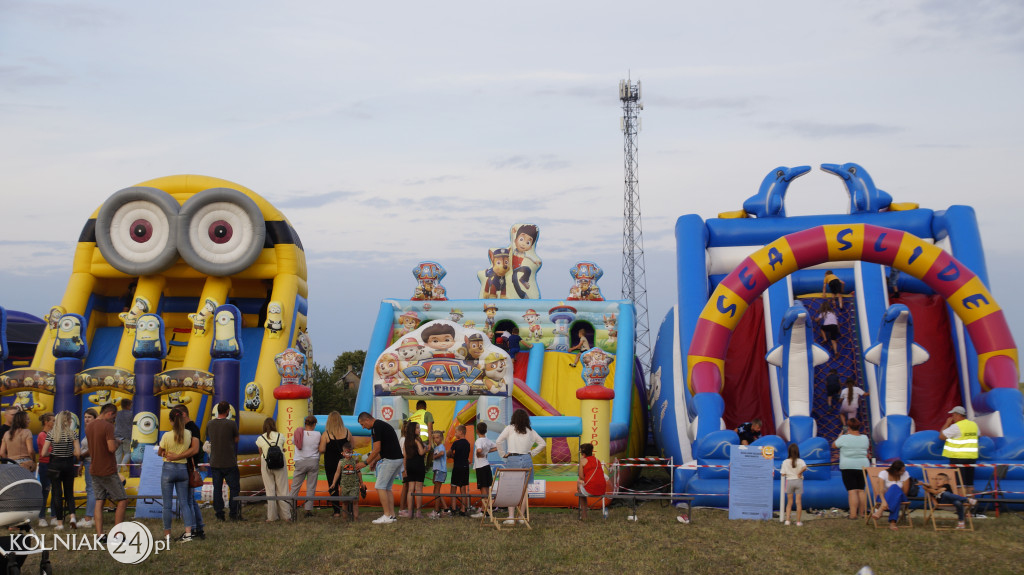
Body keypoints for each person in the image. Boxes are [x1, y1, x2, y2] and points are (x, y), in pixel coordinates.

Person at [85, 403, 128, 542]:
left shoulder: (90, 426)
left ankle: (100, 535)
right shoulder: (108, 426)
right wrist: (117, 443)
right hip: (107, 469)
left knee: (99, 500)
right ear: (110, 413)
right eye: (114, 417)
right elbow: (110, 448)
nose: (113, 420)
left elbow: (95, 446)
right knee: (122, 500)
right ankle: (118, 534)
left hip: (94, 468)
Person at [496, 408, 545, 525]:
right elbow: (543, 443)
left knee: (511, 489)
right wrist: (532, 453)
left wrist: (503, 454)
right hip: (527, 459)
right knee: (524, 489)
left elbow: (498, 441)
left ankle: (511, 517)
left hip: (513, 459)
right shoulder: (530, 431)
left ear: (514, 418)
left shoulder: (509, 428)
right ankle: (522, 517)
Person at [157, 408, 197, 542]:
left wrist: (165, 453)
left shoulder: (166, 436)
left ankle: (167, 535)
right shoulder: (188, 433)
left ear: (171, 421)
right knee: (185, 503)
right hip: (182, 469)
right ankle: (188, 533)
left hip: (168, 469)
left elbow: (160, 452)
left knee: (167, 505)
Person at [357, 411, 403, 524]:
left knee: (379, 486)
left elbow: (376, 449)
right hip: (397, 459)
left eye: (362, 424)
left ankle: (387, 515)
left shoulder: (376, 427)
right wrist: (374, 461)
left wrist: (366, 463)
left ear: (367, 420)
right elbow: (385, 449)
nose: (363, 427)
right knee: (387, 487)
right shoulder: (381, 425)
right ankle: (392, 515)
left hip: (391, 460)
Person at [41, 410, 81, 530]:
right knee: (69, 492)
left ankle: (59, 523)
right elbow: (78, 453)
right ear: (68, 421)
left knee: (57, 494)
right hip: (68, 464)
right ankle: (72, 517)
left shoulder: (52, 434)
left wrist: (53, 453)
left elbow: (43, 453)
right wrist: (70, 452)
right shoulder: (73, 434)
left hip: (55, 465)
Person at [172, 405, 206, 539]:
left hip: (187, 467)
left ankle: (192, 529)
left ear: (183, 415)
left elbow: (194, 449)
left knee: (187, 501)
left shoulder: (190, 429)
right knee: (190, 500)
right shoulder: (191, 428)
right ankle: (198, 528)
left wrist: (177, 456)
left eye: (177, 416)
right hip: (188, 466)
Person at [206, 401, 241, 522]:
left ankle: (219, 513)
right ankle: (233, 512)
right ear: (227, 411)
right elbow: (236, 439)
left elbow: (209, 438)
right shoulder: (231, 424)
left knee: (217, 488)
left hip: (215, 461)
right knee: (234, 488)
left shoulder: (210, 424)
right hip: (229, 461)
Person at [255, 417, 291, 522]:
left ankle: (271, 517)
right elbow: (281, 448)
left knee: (270, 490)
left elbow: (260, 452)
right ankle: (286, 516)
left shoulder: (260, 438)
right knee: (283, 489)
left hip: (266, 464)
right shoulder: (281, 436)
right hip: (280, 464)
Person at [833, 418, 869, 519]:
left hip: (848, 466)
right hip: (863, 465)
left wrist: (840, 437)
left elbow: (834, 445)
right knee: (861, 490)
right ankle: (862, 513)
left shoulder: (844, 438)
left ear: (848, 427)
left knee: (852, 491)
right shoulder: (865, 438)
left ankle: (853, 514)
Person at [319, 411, 353, 519]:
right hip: (345, 463)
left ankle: (336, 511)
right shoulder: (347, 432)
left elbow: (322, 449)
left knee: (333, 486)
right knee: (346, 485)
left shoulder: (326, 434)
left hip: (331, 463)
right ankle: (347, 509)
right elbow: (352, 446)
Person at [941, 406, 978, 496]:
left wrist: (947, 423)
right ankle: (971, 506)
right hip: (971, 458)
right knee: (969, 484)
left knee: (960, 484)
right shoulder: (973, 425)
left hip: (958, 458)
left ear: (958, 415)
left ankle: (963, 505)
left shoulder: (956, 426)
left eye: (953, 415)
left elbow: (941, 436)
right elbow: (979, 435)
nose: (952, 417)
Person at [290, 414, 322, 517]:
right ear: (314, 424)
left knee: (295, 486)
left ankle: (290, 508)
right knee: (311, 487)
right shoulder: (318, 434)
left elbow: (293, 442)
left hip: (300, 461)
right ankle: (308, 510)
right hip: (313, 461)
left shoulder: (298, 433)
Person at [328, 441, 362, 521]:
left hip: (354, 485)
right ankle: (344, 518)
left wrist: (362, 483)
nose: (349, 454)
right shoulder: (341, 462)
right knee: (345, 502)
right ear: (343, 453)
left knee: (355, 502)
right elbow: (337, 473)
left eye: (350, 452)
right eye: (347, 452)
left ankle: (356, 518)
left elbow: (358, 472)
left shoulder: (355, 461)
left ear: (353, 452)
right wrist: (334, 483)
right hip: (344, 485)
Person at [872, 460, 910, 530]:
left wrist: (893, 492)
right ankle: (893, 523)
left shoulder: (905, 474)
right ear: (895, 471)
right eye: (901, 471)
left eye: (904, 470)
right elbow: (881, 490)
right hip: (883, 497)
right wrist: (883, 501)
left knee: (895, 487)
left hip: (901, 496)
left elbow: (905, 492)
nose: (903, 472)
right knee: (895, 496)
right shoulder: (883, 473)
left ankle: (881, 510)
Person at [470, 422, 497, 519]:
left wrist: (479, 454)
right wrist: (487, 452)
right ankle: (485, 510)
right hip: (486, 466)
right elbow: (496, 447)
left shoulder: (478, 441)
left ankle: (484, 511)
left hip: (480, 467)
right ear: (486, 431)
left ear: (477, 431)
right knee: (486, 488)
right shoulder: (488, 440)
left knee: (483, 489)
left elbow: (479, 450)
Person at [78, 408, 98, 529]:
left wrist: (81, 456)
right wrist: (81, 463)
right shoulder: (88, 430)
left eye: (89, 417)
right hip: (87, 462)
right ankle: (95, 516)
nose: (86, 419)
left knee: (91, 490)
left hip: (92, 463)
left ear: (95, 418)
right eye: (85, 417)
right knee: (92, 489)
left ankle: (88, 518)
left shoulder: (94, 430)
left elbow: (92, 449)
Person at [403, 421, 427, 519]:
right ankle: (418, 511)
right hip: (418, 465)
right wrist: (426, 448)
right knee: (418, 489)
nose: (419, 429)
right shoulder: (417, 440)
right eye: (417, 428)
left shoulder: (406, 441)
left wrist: (405, 469)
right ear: (413, 430)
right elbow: (421, 452)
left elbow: (404, 456)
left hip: (410, 465)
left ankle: (409, 512)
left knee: (410, 489)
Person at [576, 443, 606, 521]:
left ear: (583, 453)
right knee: (583, 485)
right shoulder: (597, 460)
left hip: (590, 490)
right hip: (602, 490)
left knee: (579, 483)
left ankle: (584, 515)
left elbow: (581, 476)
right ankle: (584, 514)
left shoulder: (583, 461)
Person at [780, 443, 807, 526]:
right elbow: (805, 467)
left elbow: (783, 474)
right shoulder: (801, 461)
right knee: (798, 502)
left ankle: (787, 520)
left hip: (789, 482)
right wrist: (799, 473)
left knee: (789, 502)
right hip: (798, 481)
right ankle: (798, 521)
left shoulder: (785, 462)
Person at [36, 412, 54, 527]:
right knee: (45, 491)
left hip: (54, 464)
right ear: (46, 422)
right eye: (53, 420)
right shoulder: (42, 435)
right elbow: (48, 449)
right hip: (45, 465)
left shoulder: (53, 434)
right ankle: (41, 517)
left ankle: (54, 515)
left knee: (56, 490)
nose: (54, 423)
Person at [449, 424, 472, 516]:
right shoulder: (467, 443)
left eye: (456, 432)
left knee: (453, 487)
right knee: (463, 488)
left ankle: (453, 508)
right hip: (465, 467)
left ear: (461, 432)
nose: (455, 434)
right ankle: (463, 509)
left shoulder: (456, 443)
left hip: (457, 467)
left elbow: (450, 453)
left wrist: (452, 456)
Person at [427, 430, 450, 518]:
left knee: (436, 491)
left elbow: (442, 453)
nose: (435, 439)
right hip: (437, 470)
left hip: (440, 470)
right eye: (434, 438)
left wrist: (434, 457)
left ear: (441, 438)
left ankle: (437, 511)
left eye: (437, 437)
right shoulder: (437, 447)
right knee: (436, 491)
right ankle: (445, 508)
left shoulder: (441, 447)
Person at [113, 398, 133, 472]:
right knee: (128, 452)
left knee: (118, 454)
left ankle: (116, 471)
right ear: (129, 405)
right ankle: (124, 463)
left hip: (117, 436)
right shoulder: (131, 414)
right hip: (127, 436)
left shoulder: (117, 414)